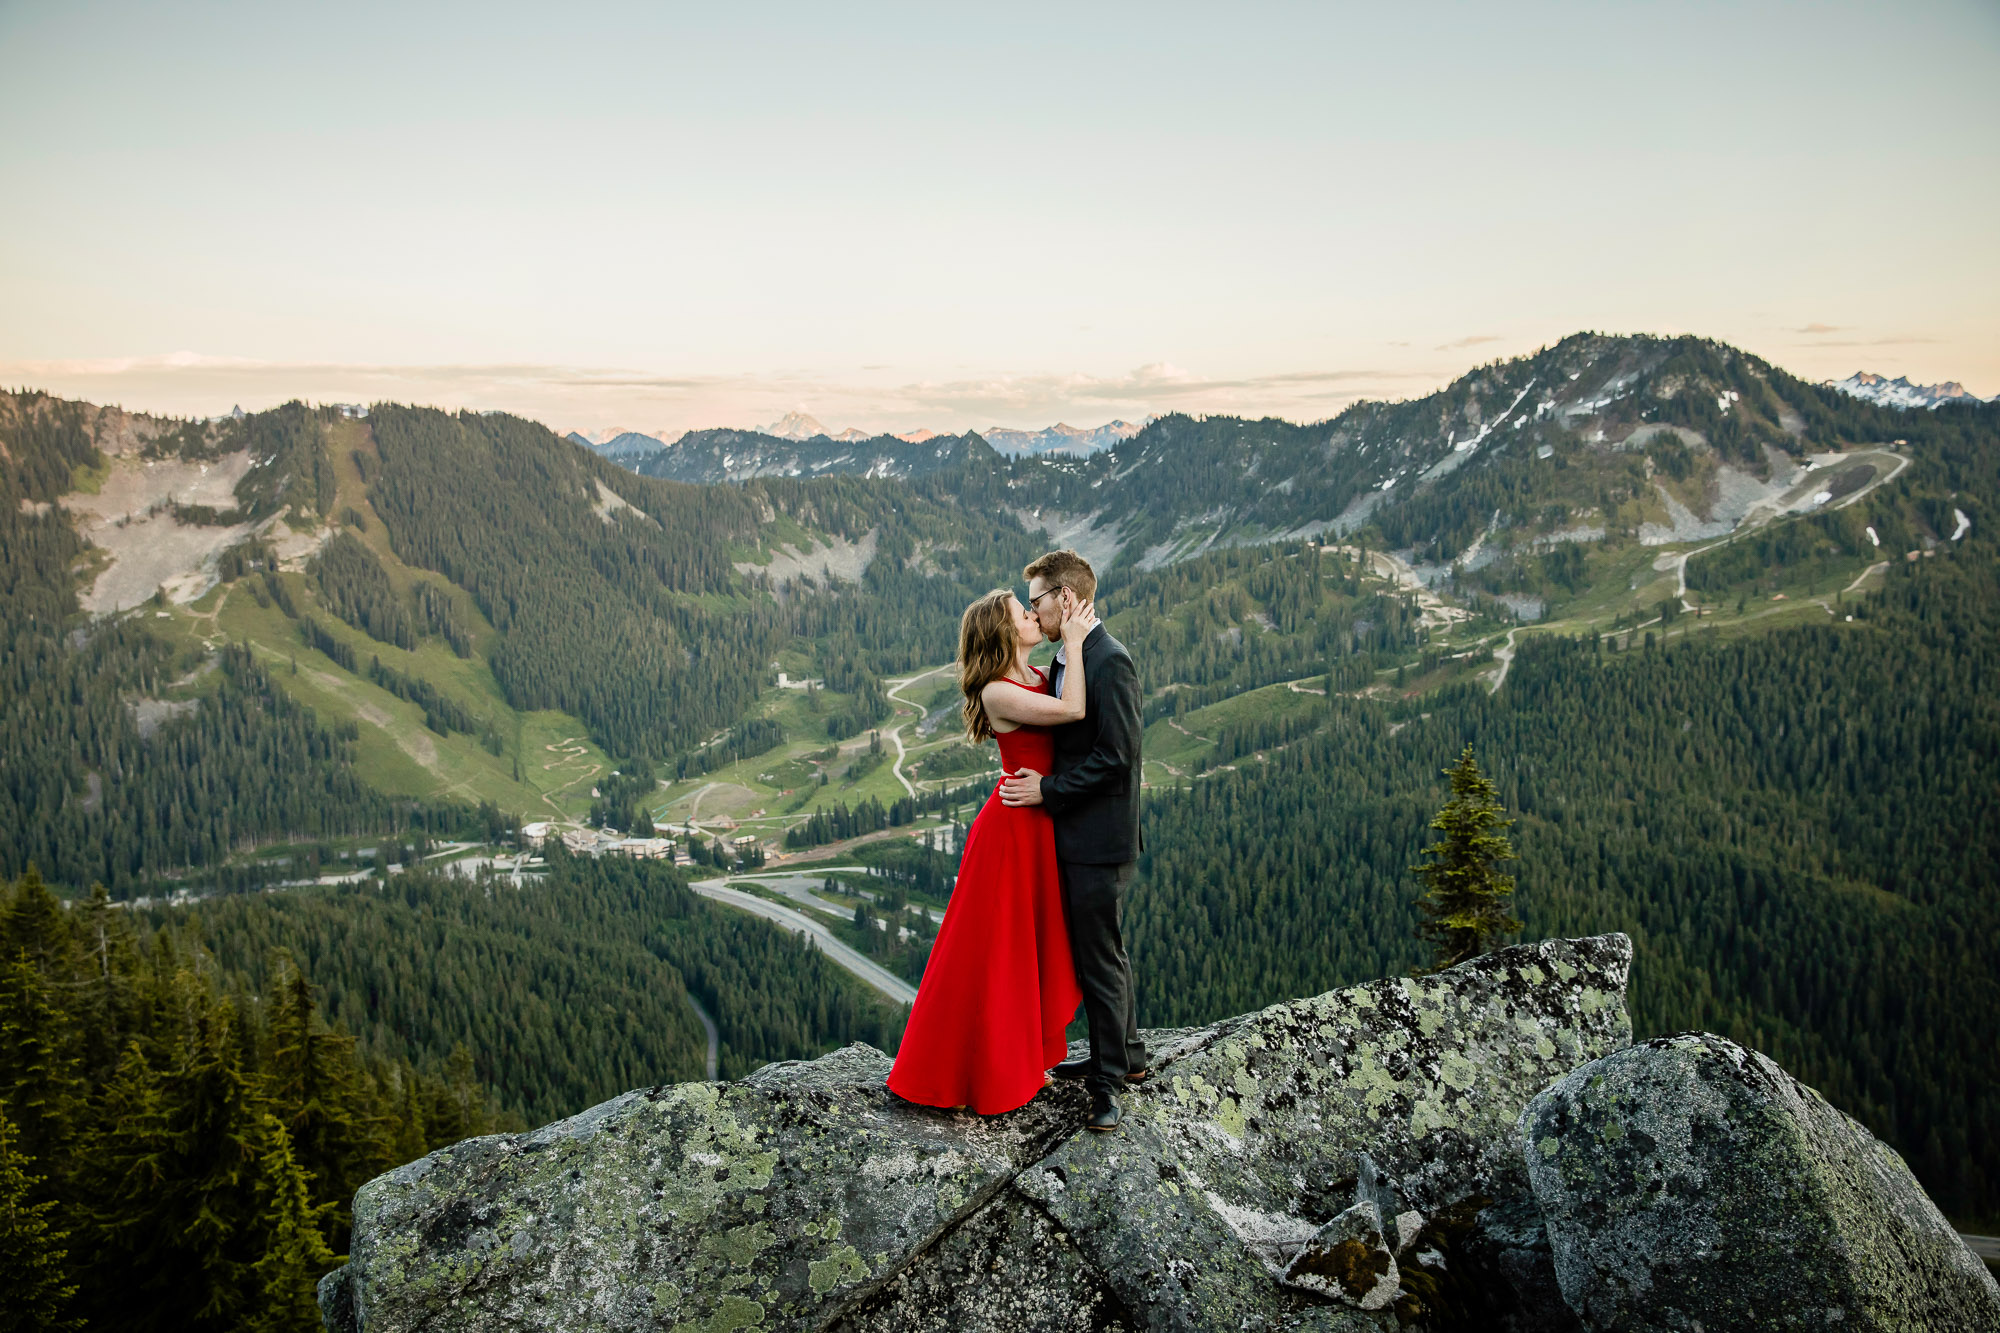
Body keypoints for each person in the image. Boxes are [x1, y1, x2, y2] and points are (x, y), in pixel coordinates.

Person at [885, 587, 1098, 1115]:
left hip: (1037, 823)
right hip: (1008, 833)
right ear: (1004, 634)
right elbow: (1072, 709)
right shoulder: (997, 692)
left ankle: (1023, 1061)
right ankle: (978, 1073)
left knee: (1029, 947)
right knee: (997, 954)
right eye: (1022, 613)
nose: (1032, 615)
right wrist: (1073, 639)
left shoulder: (1036, 676)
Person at [1000, 549, 1146, 1133]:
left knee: (1099, 959)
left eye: (1036, 599)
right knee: (1104, 951)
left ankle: (1108, 1087)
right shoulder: (1074, 656)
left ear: (1065, 597)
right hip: (1078, 835)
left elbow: (1118, 759)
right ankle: (1126, 1055)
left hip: (1099, 840)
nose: (1032, 610)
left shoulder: (1110, 660)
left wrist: (1049, 791)